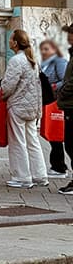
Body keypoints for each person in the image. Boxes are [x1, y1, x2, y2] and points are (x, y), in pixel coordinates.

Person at [2, 29, 47, 189]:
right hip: (32, 107)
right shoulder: (32, 59)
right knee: (33, 141)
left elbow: (8, 86)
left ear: (15, 43)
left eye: (11, 39)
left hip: (18, 106)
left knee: (18, 142)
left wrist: (1, 91)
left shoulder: (16, 60)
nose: (9, 41)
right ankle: (40, 175)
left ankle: (22, 177)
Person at [40, 39, 69, 178]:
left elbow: (64, 80)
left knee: (56, 133)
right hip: (48, 101)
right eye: (42, 49)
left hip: (56, 102)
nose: (44, 52)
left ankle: (59, 167)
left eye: (47, 49)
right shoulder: (45, 63)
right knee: (52, 133)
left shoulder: (59, 61)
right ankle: (57, 165)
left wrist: (52, 87)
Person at [56, 24, 73, 195]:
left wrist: (62, 91)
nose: (68, 38)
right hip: (69, 104)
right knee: (69, 144)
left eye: (70, 34)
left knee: (71, 144)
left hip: (71, 103)